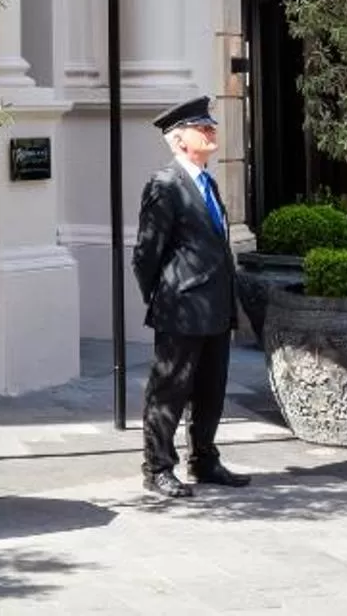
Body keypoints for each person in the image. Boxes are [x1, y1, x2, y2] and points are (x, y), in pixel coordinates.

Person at [130, 94, 249, 502]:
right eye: (202, 127)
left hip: (215, 305)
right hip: (181, 307)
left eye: (210, 125)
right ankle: (158, 467)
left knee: (211, 388)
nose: (211, 130)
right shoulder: (166, 185)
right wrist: (163, 296)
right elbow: (146, 253)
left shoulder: (207, 182)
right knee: (170, 389)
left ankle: (204, 458)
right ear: (180, 140)